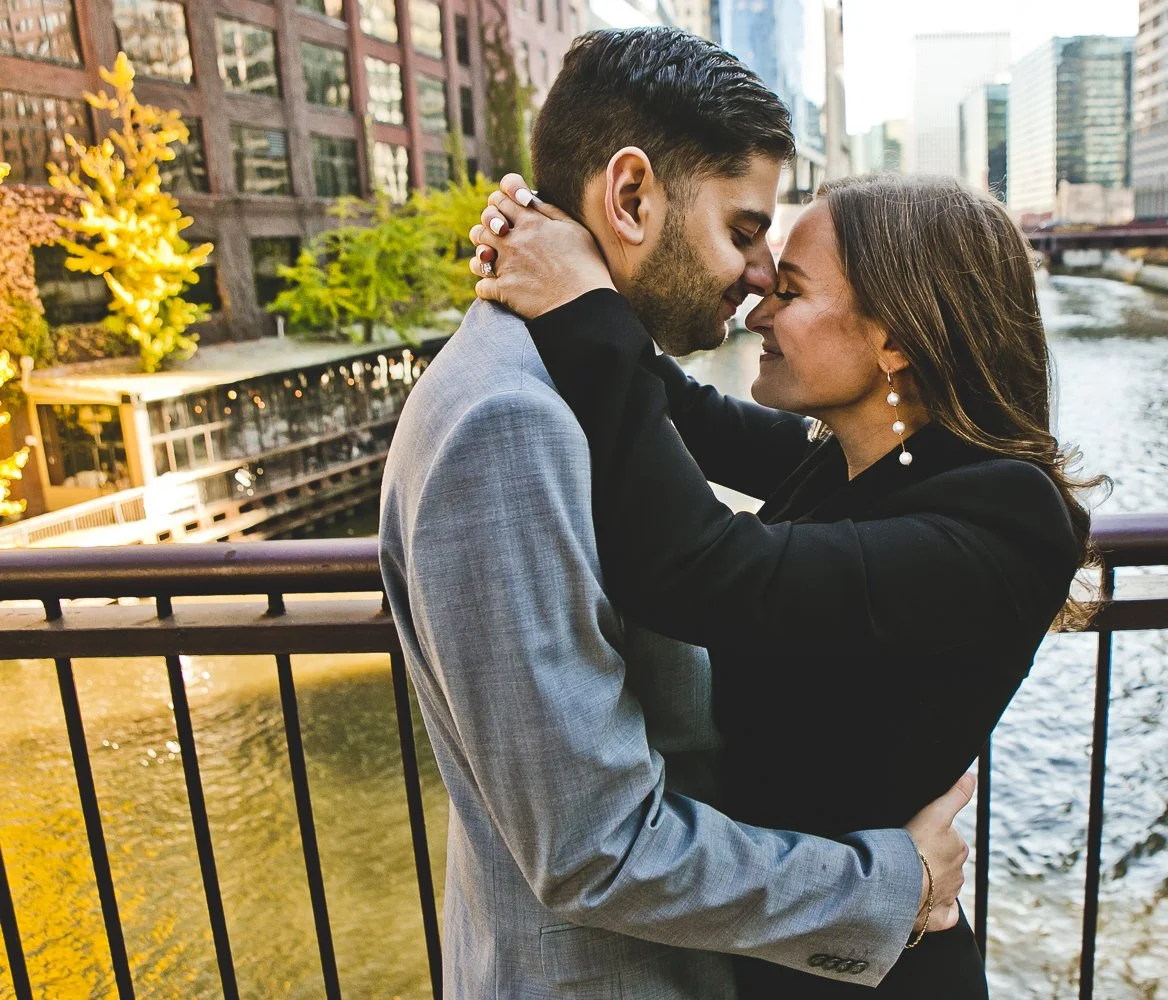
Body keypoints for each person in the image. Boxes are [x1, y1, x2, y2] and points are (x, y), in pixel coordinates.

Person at [379, 27, 974, 1000]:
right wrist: (889, 886)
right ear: (631, 196)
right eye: (742, 230)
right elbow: (592, 847)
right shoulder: (509, 424)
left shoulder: (562, 380)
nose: (755, 276)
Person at [467, 170, 1101, 997]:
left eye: (791, 290)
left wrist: (581, 303)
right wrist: (559, 254)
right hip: (785, 941)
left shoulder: (1002, 516)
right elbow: (674, 411)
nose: (759, 306)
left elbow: (695, 567)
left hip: (866, 972)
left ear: (896, 338)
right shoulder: (843, 459)